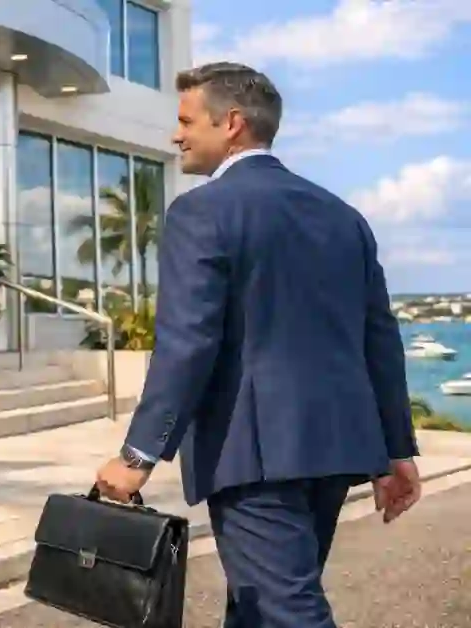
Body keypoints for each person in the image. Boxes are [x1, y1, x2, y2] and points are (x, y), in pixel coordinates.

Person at [93, 62, 423, 627]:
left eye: (186, 120)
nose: (176, 135)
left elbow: (188, 342)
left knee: (283, 608)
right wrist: (396, 449)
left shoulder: (202, 211)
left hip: (255, 454)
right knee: (256, 607)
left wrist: (139, 456)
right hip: (334, 448)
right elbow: (379, 339)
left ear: (232, 125)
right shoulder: (344, 217)